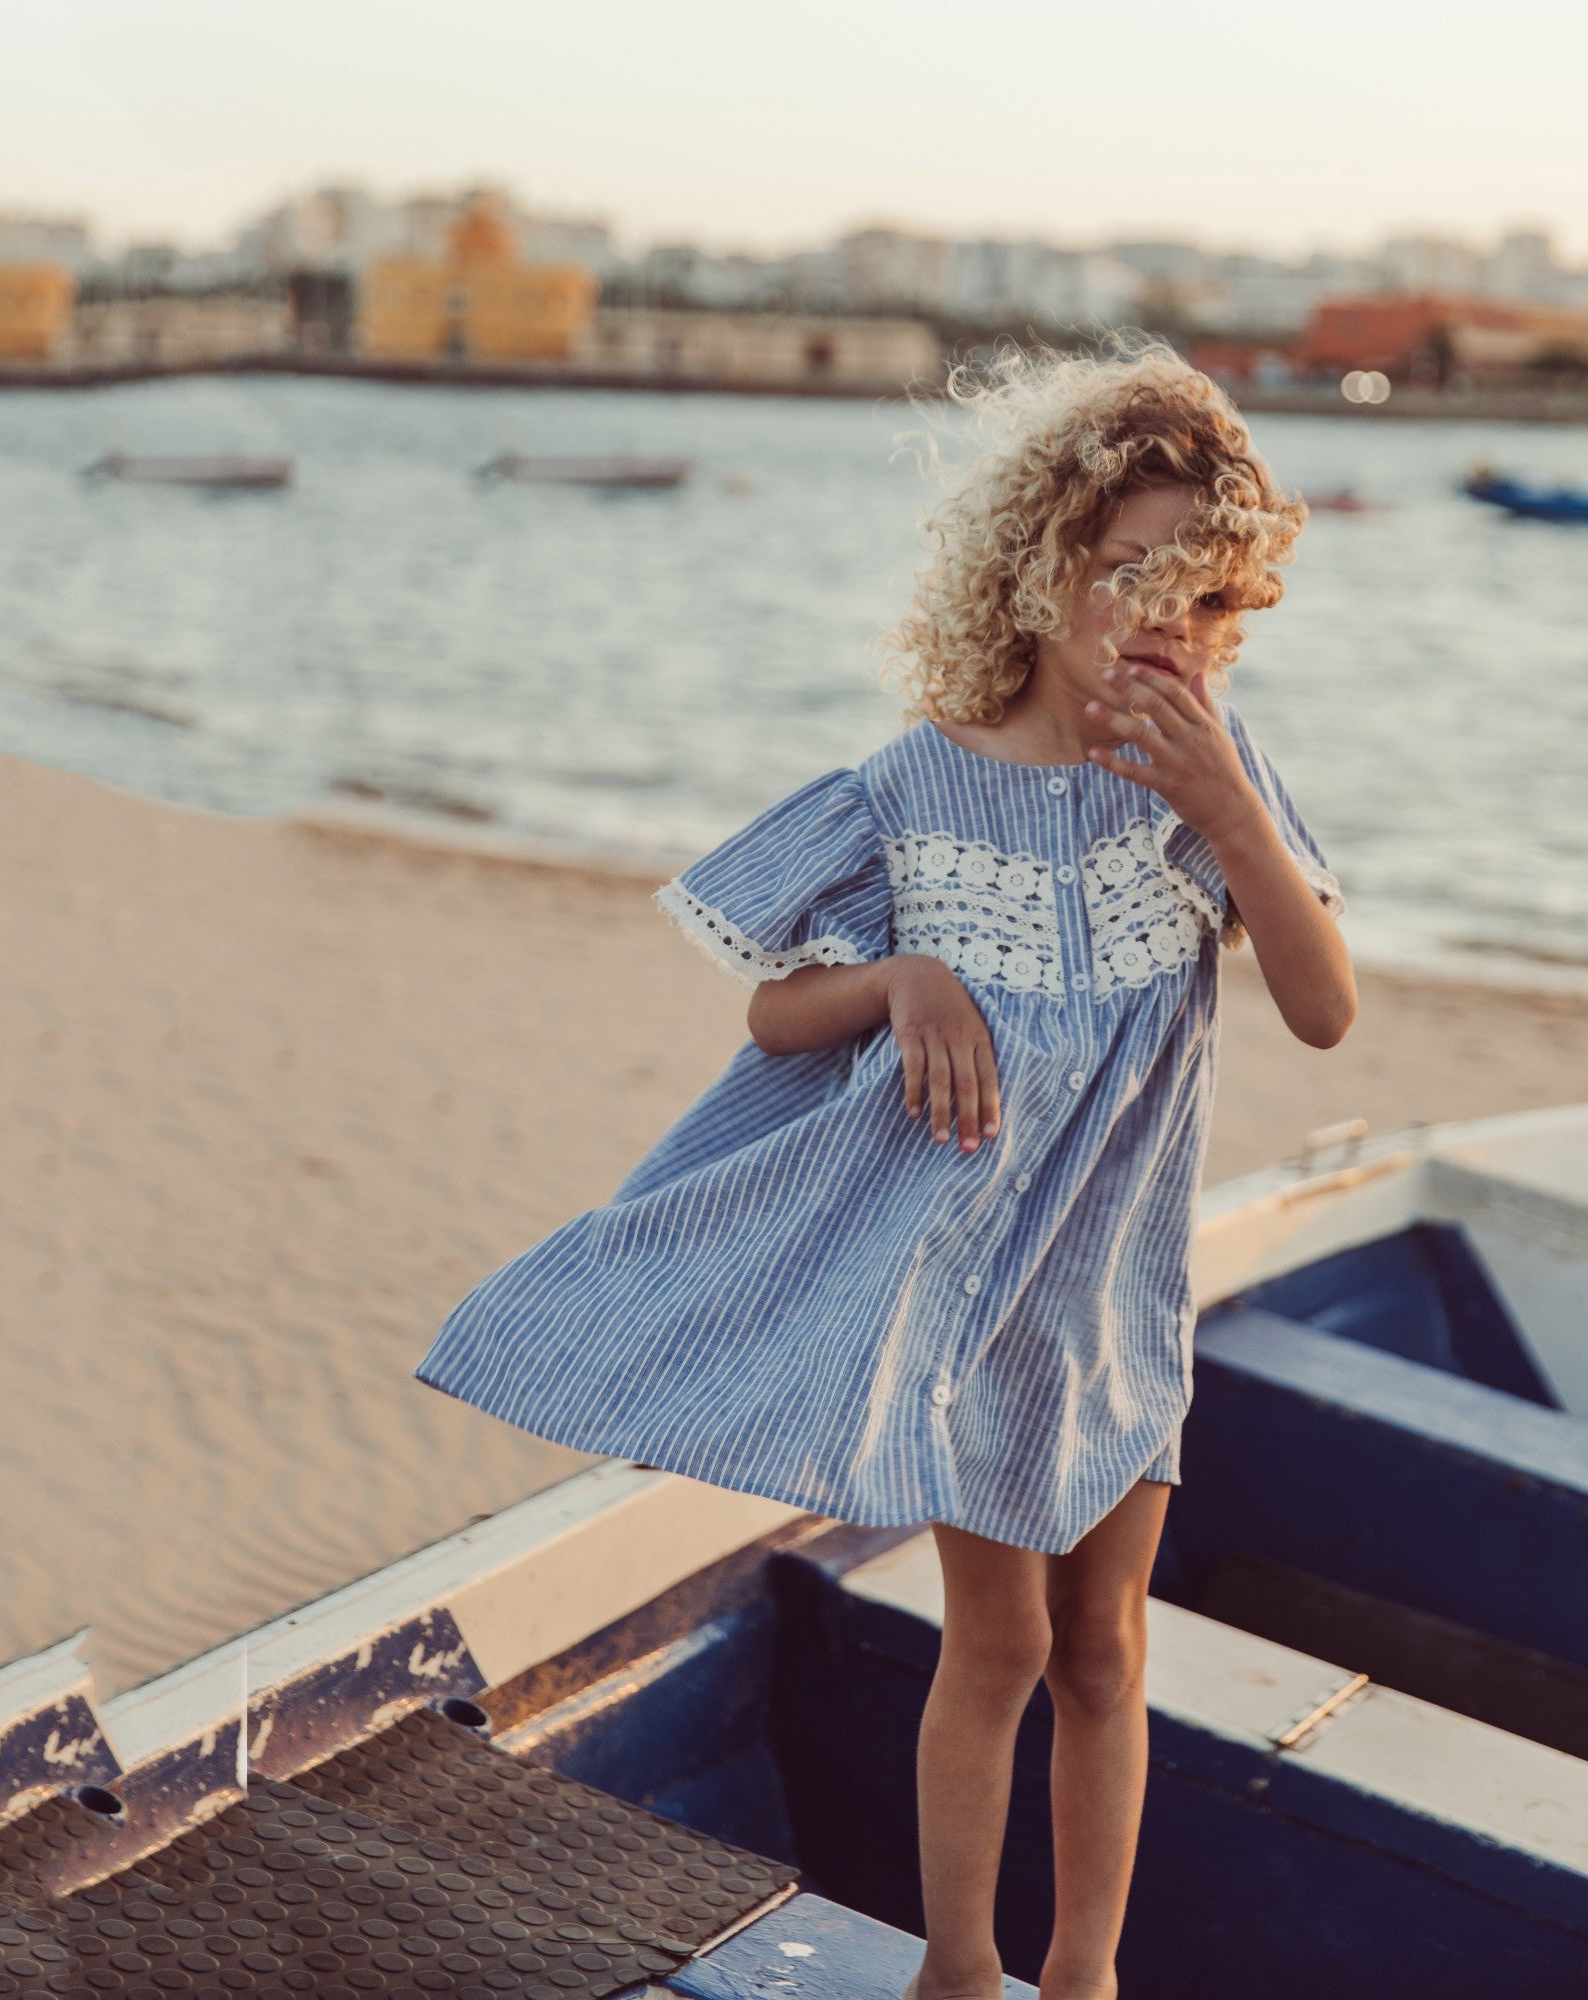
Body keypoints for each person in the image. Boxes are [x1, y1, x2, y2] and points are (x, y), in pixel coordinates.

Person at [416, 338, 1355, 2000]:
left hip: (1118, 1296)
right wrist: (905, 980)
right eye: (1129, 573)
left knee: (1106, 1647)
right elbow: (782, 1016)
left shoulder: (1214, 786)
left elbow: (1323, 1007)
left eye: (1207, 599)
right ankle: (960, 1970)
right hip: (971, 1288)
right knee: (992, 1645)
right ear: (1043, 570)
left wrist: (1231, 812)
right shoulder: (913, 792)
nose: (1165, 624)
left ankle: (1087, 1974)